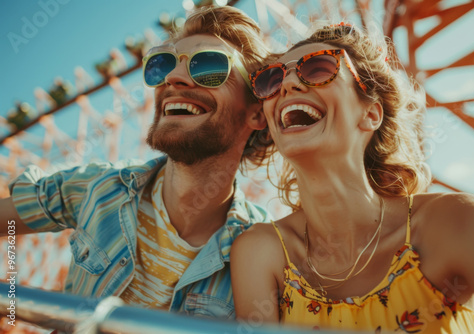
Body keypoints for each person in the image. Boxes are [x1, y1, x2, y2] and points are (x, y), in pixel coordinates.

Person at [0, 5, 273, 319]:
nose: (173, 77)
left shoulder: (264, 253)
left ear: (256, 112)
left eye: (209, 66)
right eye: (162, 65)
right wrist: (11, 305)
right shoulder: (98, 188)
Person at [231, 23, 474, 332]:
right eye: (271, 79)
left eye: (319, 67)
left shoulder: (462, 222)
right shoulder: (263, 253)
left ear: (371, 114)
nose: (289, 83)